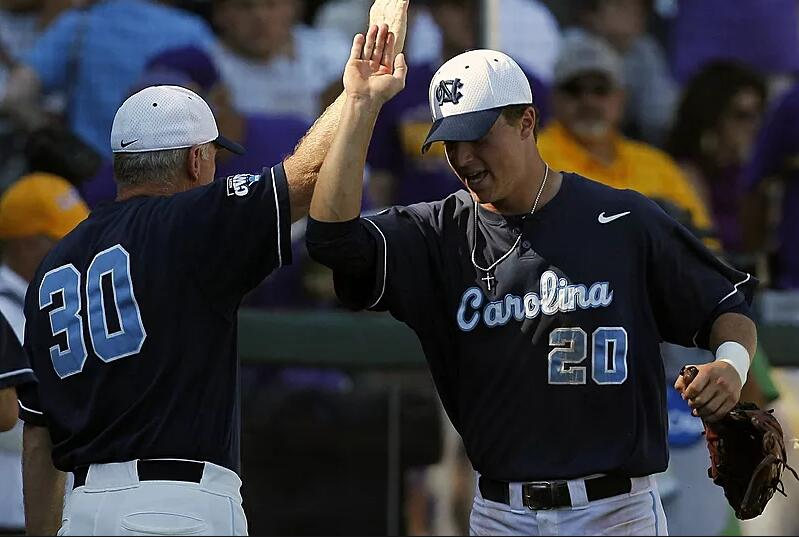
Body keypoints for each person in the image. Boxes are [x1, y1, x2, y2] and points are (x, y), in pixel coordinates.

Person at [305, 37, 759, 535]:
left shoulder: (623, 219)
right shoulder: (437, 235)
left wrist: (732, 364)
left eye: (478, 137)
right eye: (451, 143)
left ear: (526, 122)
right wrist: (360, 102)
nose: (465, 157)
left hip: (615, 512)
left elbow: (726, 307)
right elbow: (333, 240)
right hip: (502, 514)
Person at [16, 2, 408, 534]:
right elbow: (306, 176)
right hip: (174, 507)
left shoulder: (54, 261)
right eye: (214, 157)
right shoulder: (191, 219)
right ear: (196, 160)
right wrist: (359, 95)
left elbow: (37, 438)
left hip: (83, 508)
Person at [538, 31, 716, 246]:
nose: (588, 101)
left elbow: (706, 245)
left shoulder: (656, 164)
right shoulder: (535, 158)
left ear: (621, 98)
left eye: (600, 90)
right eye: (574, 90)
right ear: (554, 98)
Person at [0, 172, 87, 535]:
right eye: (62, 238)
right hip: (9, 505)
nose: (78, 247)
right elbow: (8, 421)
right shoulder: (4, 311)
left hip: (61, 505)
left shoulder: (68, 299)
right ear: (27, 243)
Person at [666, 61, 767, 266]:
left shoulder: (750, 174)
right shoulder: (683, 173)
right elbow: (704, 250)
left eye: (759, 114)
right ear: (711, 118)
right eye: (742, 116)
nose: (754, 126)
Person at [210, 0, 350, 123]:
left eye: (271, 4)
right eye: (245, 6)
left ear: (294, 8)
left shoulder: (333, 49)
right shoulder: (206, 63)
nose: (260, 16)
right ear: (221, 12)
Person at [571, 0, 677, 145]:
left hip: (630, 145)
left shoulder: (646, 51)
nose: (629, 17)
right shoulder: (575, 45)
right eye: (620, 7)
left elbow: (660, 117)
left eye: (637, 12)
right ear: (593, 15)